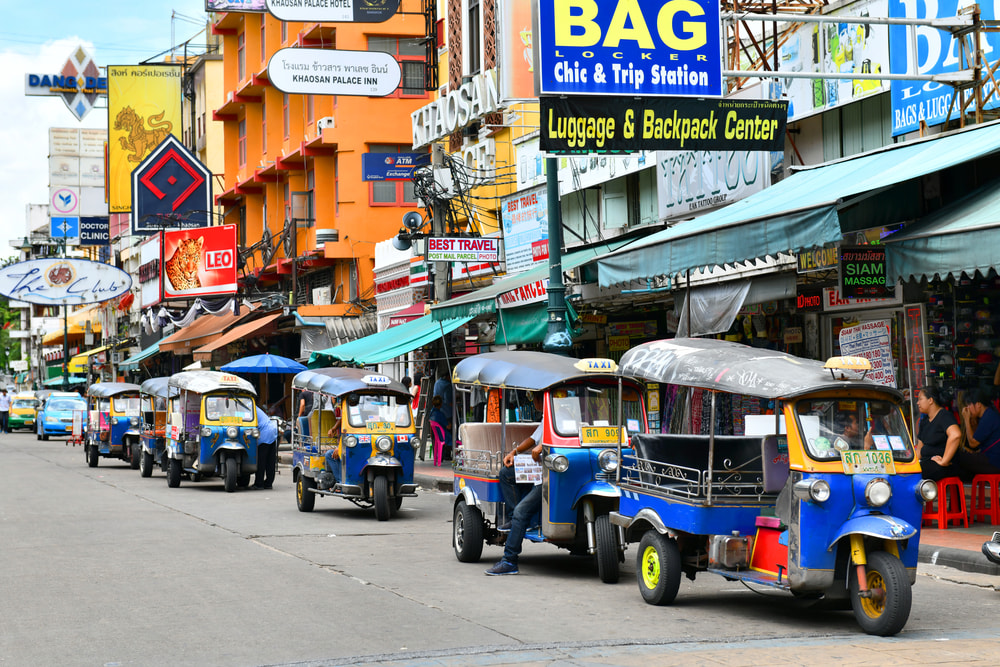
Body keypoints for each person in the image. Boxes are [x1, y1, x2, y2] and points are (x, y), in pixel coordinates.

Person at [486, 393, 546, 576]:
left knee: (522, 511)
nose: (533, 402)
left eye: (534, 398)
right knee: (506, 473)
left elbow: (560, 440)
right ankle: (514, 519)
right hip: (540, 470)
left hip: (550, 475)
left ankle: (509, 560)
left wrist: (542, 448)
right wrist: (514, 451)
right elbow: (534, 439)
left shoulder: (563, 416)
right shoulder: (547, 418)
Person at [916, 385, 965, 481]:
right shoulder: (924, 421)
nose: (917, 403)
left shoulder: (944, 416)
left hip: (944, 466)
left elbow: (956, 435)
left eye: (920, 399)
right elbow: (919, 450)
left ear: (930, 400)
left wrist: (944, 461)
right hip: (927, 461)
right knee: (909, 472)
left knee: (917, 474)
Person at [960, 387, 1000, 475]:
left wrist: (966, 420)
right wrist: (972, 421)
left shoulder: (988, 417)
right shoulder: (987, 415)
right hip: (993, 459)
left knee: (958, 458)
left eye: (969, 405)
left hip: (994, 462)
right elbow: (976, 438)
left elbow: (973, 444)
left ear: (978, 404)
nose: (968, 409)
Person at [253, 405, 278, 489]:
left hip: (265, 433)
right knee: (270, 460)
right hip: (272, 430)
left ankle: (258, 484)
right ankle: (268, 483)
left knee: (261, 460)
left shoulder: (248, 408)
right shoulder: (253, 406)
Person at [429, 395, 452, 461]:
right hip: (443, 435)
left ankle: (441, 456)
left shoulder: (431, 413)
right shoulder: (440, 414)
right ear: (441, 404)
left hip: (436, 435)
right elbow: (448, 426)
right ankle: (448, 455)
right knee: (453, 437)